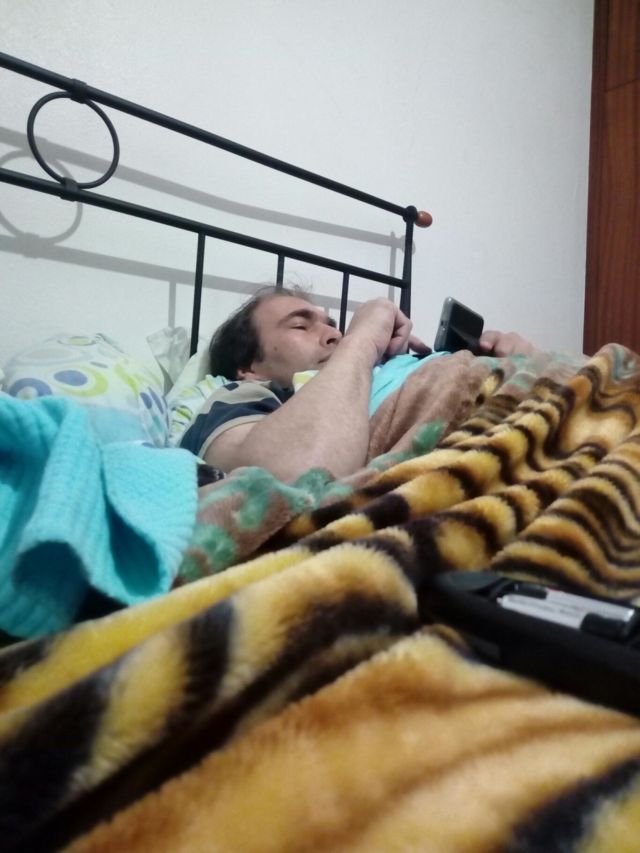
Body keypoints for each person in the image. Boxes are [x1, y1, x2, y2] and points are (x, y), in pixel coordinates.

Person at [180, 287, 536, 482]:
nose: (334, 335)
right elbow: (288, 478)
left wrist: (521, 361)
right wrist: (363, 339)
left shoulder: (368, 372)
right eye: (300, 326)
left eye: (333, 325)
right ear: (249, 367)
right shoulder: (238, 397)